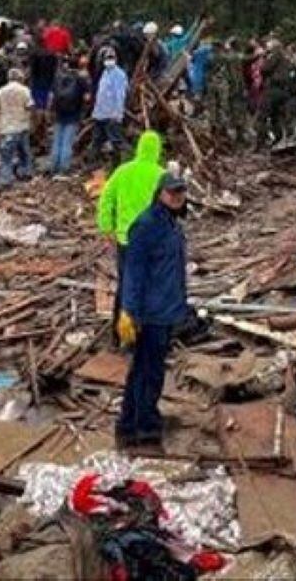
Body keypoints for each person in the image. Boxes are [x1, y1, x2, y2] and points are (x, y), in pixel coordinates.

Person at [116, 169, 191, 450]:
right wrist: (129, 311)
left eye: (181, 192)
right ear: (160, 193)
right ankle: (143, 426)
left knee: (146, 369)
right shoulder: (146, 226)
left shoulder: (172, 223)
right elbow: (133, 272)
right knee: (148, 372)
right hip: (151, 312)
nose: (177, 197)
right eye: (172, 192)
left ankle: (131, 422)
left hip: (166, 307)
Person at [97, 131, 164, 327]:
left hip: (125, 239)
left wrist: (106, 227)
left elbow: (106, 199)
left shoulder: (122, 171)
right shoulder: (161, 176)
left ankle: (120, 333)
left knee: (126, 285)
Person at [0, 68, 34, 187]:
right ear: (20, 78)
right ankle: (25, 174)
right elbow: (30, 106)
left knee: (6, 157)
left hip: (6, 128)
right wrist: (32, 120)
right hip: (22, 127)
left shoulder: (1, 91)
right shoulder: (25, 90)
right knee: (24, 153)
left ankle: (5, 180)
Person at [49, 56, 89, 176]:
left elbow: (51, 97)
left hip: (58, 113)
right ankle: (64, 168)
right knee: (67, 141)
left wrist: (51, 111)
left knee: (57, 140)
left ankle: (53, 166)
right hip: (73, 114)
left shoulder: (58, 78)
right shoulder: (81, 79)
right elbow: (87, 98)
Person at [92, 50, 128, 160]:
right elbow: (100, 93)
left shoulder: (119, 75)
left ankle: (117, 164)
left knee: (115, 141)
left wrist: (117, 114)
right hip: (100, 114)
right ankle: (94, 162)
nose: (109, 60)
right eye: (107, 58)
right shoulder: (105, 73)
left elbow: (120, 95)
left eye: (111, 58)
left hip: (111, 114)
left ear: (116, 59)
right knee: (97, 140)